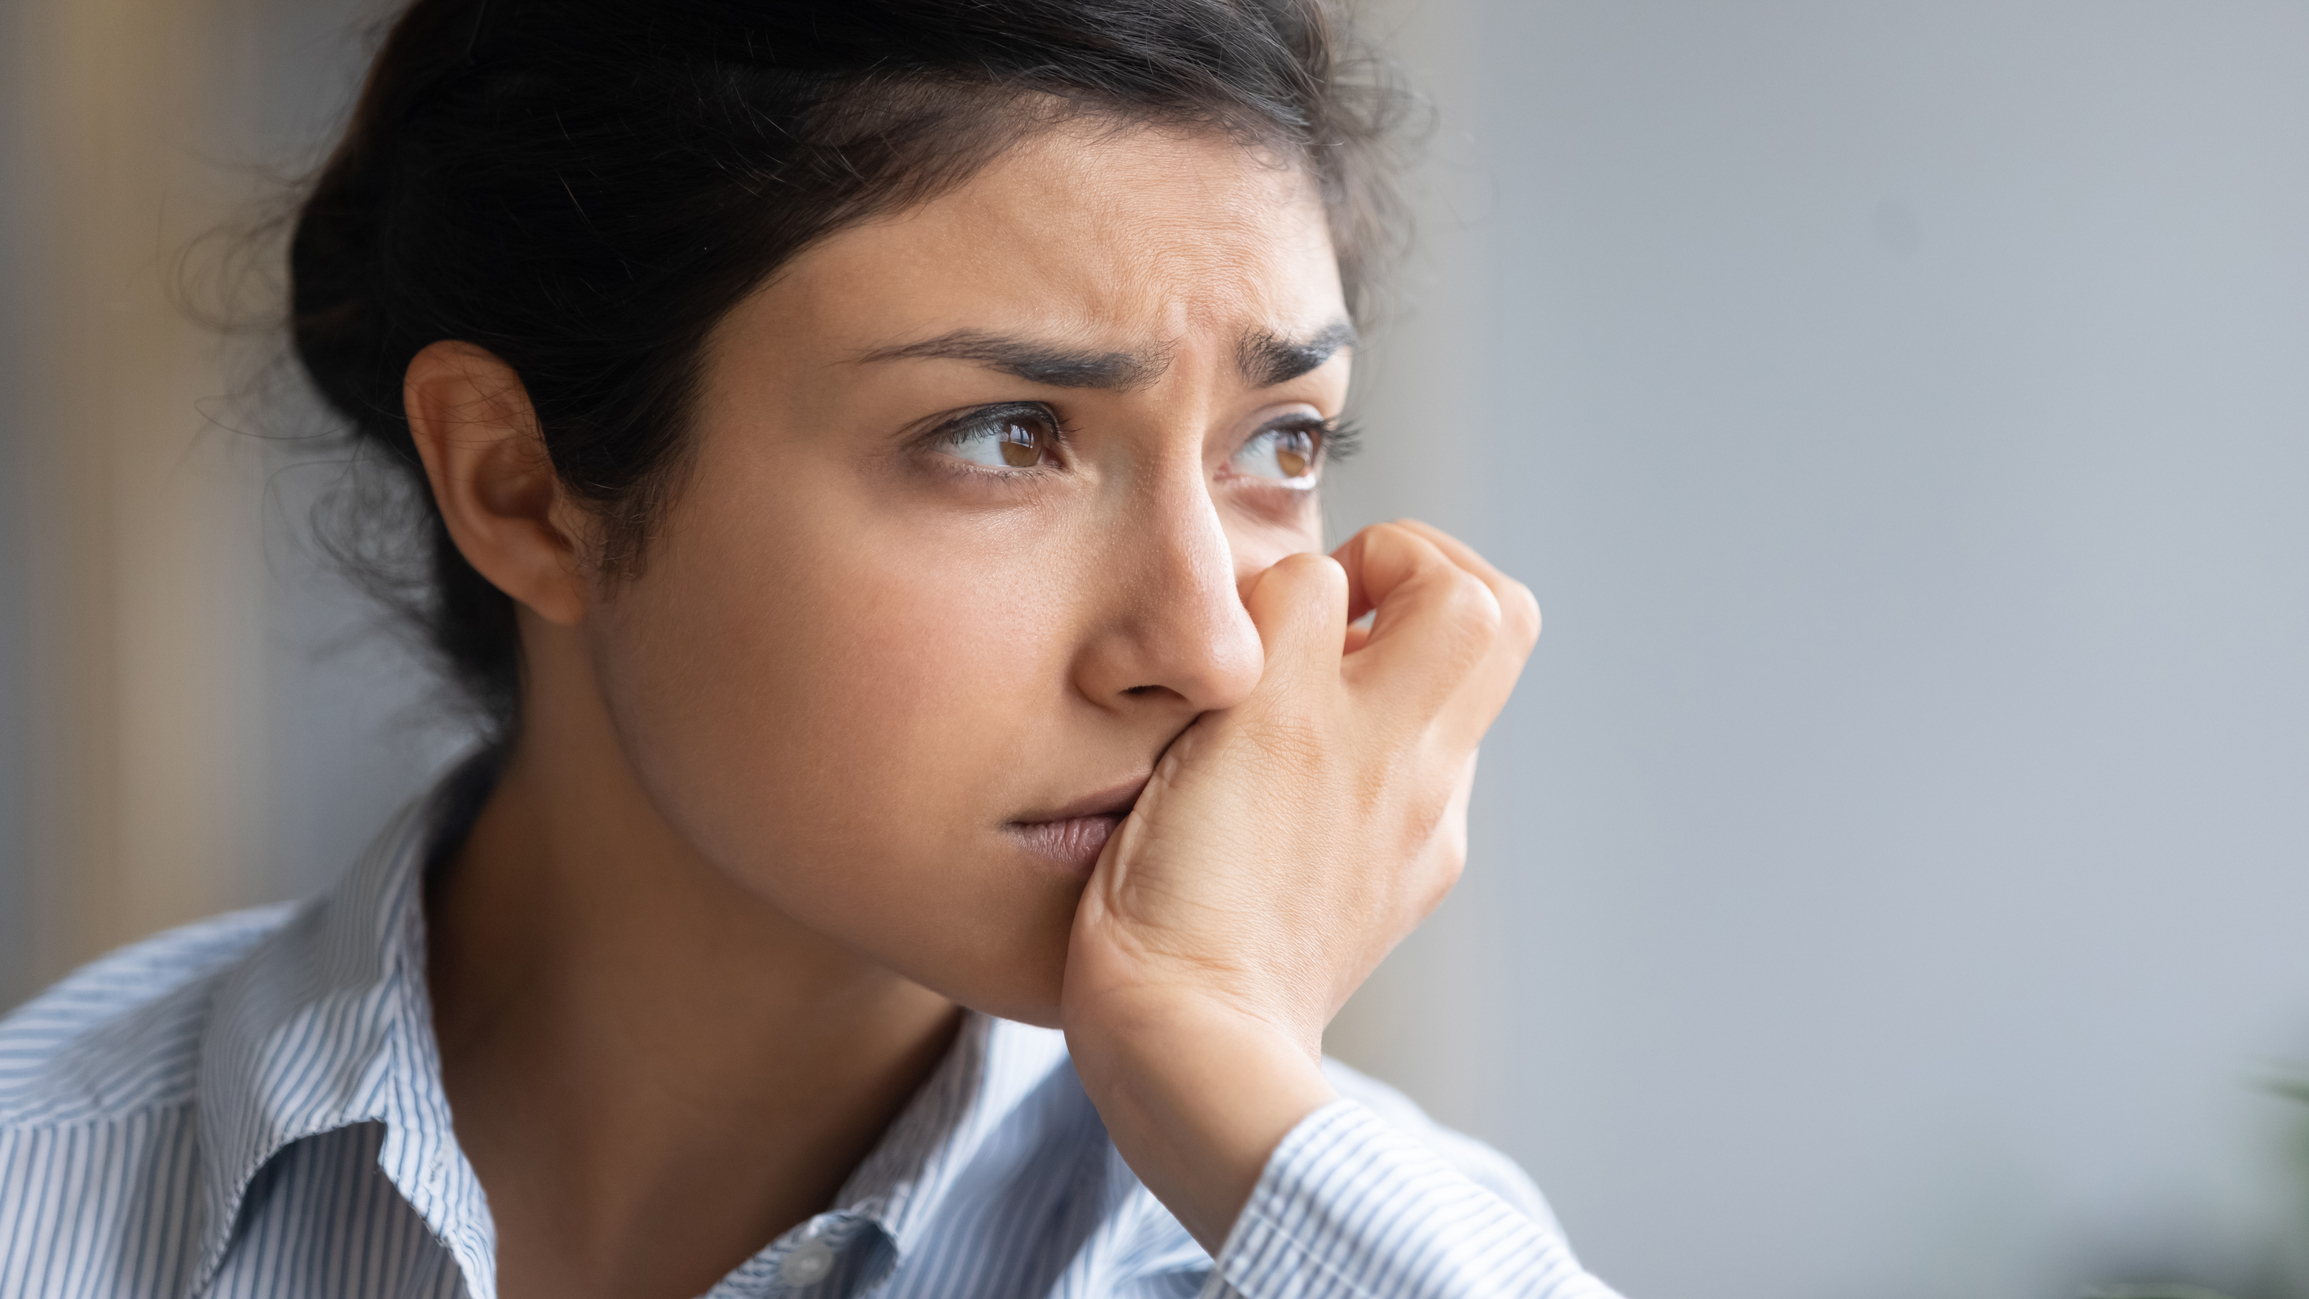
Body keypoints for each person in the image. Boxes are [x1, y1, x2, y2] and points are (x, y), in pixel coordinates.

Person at [0, 2, 1621, 1296]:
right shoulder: (40, 1198)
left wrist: (1216, 1061)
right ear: (524, 486)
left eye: (1280, 442)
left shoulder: (1318, 1237)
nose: (1203, 647)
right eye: (1003, 436)